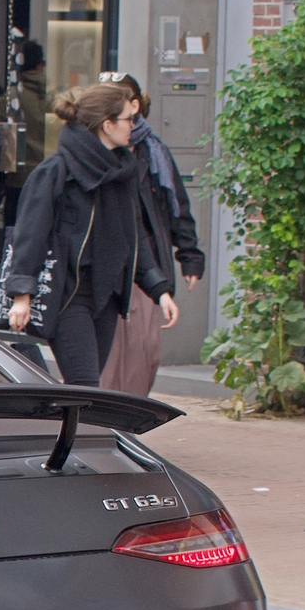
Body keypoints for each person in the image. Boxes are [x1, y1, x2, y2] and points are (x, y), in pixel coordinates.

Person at [0, 82, 179, 388]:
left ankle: (69, 434)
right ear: (107, 125)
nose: (133, 127)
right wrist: (21, 294)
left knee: (87, 385)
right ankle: (76, 435)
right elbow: (31, 234)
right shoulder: (56, 172)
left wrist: (159, 289)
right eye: (128, 120)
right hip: (69, 294)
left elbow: (132, 237)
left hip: (106, 296)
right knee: (85, 385)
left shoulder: (123, 173)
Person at [99, 72, 201, 396]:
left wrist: (189, 254)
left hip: (146, 263)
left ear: (136, 104)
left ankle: (126, 417)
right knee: (111, 354)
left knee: (146, 351)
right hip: (108, 267)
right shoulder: (92, 154)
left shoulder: (153, 151)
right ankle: (105, 422)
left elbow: (175, 205)